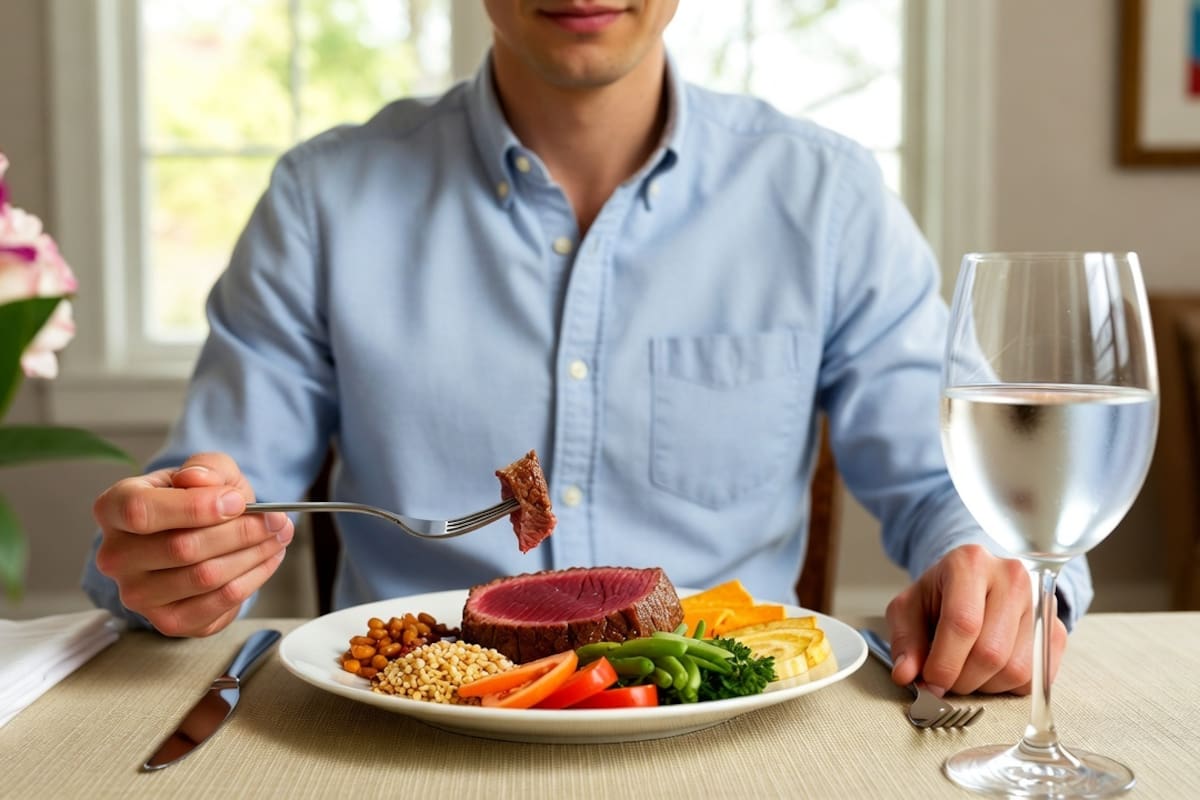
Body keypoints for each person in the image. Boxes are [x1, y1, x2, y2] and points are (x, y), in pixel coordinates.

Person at [83, 0, 1089, 698]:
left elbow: (947, 484)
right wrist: (177, 553)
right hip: (407, 736)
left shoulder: (828, 199)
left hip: (729, 734)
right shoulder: (321, 200)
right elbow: (219, 493)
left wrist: (994, 571)